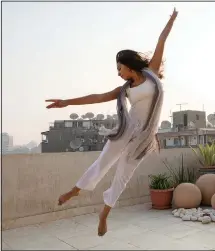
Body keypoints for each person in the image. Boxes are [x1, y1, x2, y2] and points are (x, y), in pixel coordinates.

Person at [45, 8, 178, 236]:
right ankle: (74, 191)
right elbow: (96, 97)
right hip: (126, 130)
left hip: (143, 136)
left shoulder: (151, 73)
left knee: (123, 175)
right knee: (102, 162)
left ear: (128, 65)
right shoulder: (124, 89)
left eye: (119, 68)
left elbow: (162, 39)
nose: (118, 73)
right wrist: (66, 102)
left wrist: (171, 20)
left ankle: (104, 213)